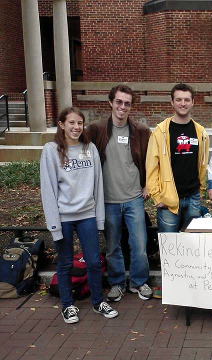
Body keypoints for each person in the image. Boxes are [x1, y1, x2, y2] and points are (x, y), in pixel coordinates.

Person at [40, 107, 118, 323]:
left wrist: (99, 217)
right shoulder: (51, 150)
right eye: (71, 123)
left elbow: (97, 184)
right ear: (62, 124)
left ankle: (97, 302)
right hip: (63, 217)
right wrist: (54, 224)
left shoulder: (89, 148)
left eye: (79, 123)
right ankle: (67, 305)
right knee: (65, 263)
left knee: (93, 262)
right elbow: (48, 188)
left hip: (87, 215)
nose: (76, 127)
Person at [86, 85, 153, 302]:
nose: (122, 107)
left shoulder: (141, 132)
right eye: (119, 102)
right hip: (108, 200)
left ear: (131, 106)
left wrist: (148, 185)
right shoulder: (96, 129)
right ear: (110, 102)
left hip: (134, 198)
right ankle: (116, 283)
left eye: (127, 103)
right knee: (113, 246)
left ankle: (139, 282)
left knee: (139, 246)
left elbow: (152, 161)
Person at [146, 83, 210, 231]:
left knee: (191, 243)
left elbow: (201, 163)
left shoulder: (200, 132)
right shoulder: (160, 131)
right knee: (169, 244)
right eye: (179, 100)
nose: (183, 103)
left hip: (193, 197)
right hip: (168, 199)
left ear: (193, 102)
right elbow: (151, 166)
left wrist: (200, 190)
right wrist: (157, 196)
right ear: (172, 102)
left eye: (187, 100)